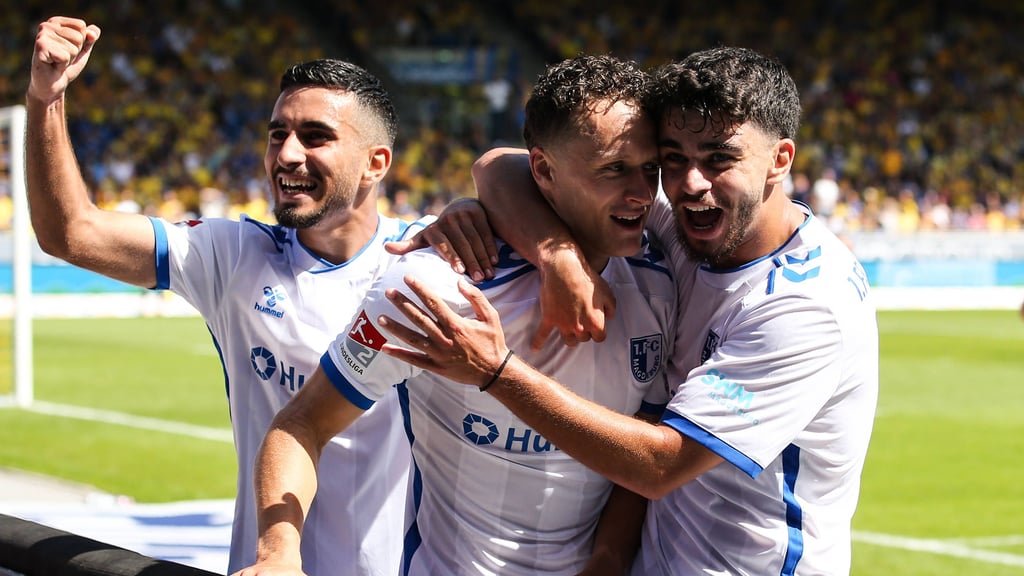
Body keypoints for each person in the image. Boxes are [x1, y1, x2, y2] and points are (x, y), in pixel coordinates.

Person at [380, 47, 879, 575]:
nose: (690, 184)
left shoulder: (804, 307)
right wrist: (558, 258)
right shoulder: (690, 227)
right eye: (673, 160)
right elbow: (503, 165)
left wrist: (496, 372)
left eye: (719, 159)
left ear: (780, 160)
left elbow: (662, 463)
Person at [239, 54, 675, 575]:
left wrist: (607, 561)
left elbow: (643, 453)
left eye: (650, 169)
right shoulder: (434, 285)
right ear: (543, 170)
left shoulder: (661, 276)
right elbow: (301, 424)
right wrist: (278, 555)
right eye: (614, 169)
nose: (643, 193)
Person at [26, 17, 416, 575]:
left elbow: (527, 171)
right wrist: (47, 98)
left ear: (376, 163)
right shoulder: (233, 255)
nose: (286, 154)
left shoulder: (426, 264)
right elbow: (70, 233)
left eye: (315, 136)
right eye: (277, 133)